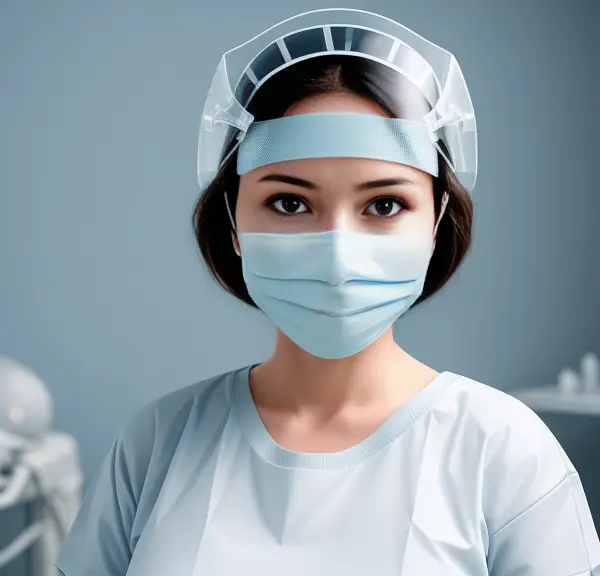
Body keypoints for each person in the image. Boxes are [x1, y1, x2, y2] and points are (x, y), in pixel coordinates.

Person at [56, 8, 600, 575]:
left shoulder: (503, 451)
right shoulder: (157, 445)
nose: (339, 254)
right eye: (290, 203)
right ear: (234, 220)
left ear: (435, 221)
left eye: (384, 205)